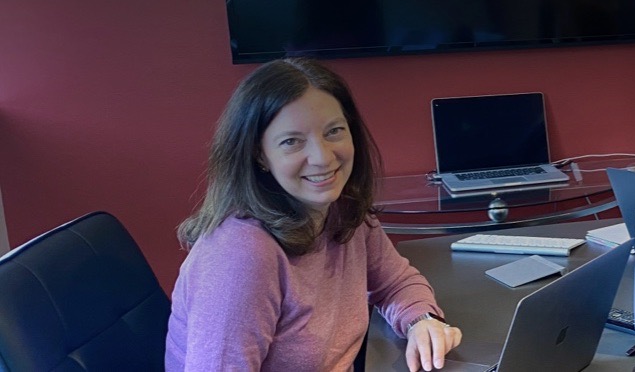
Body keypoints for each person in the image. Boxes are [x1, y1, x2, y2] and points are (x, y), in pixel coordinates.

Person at [166, 58, 462, 371]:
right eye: (292, 141)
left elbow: (394, 283)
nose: (322, 158)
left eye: (333, 131)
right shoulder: (240, 255)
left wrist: (422, 321)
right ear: (259, 154)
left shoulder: (343, 208)